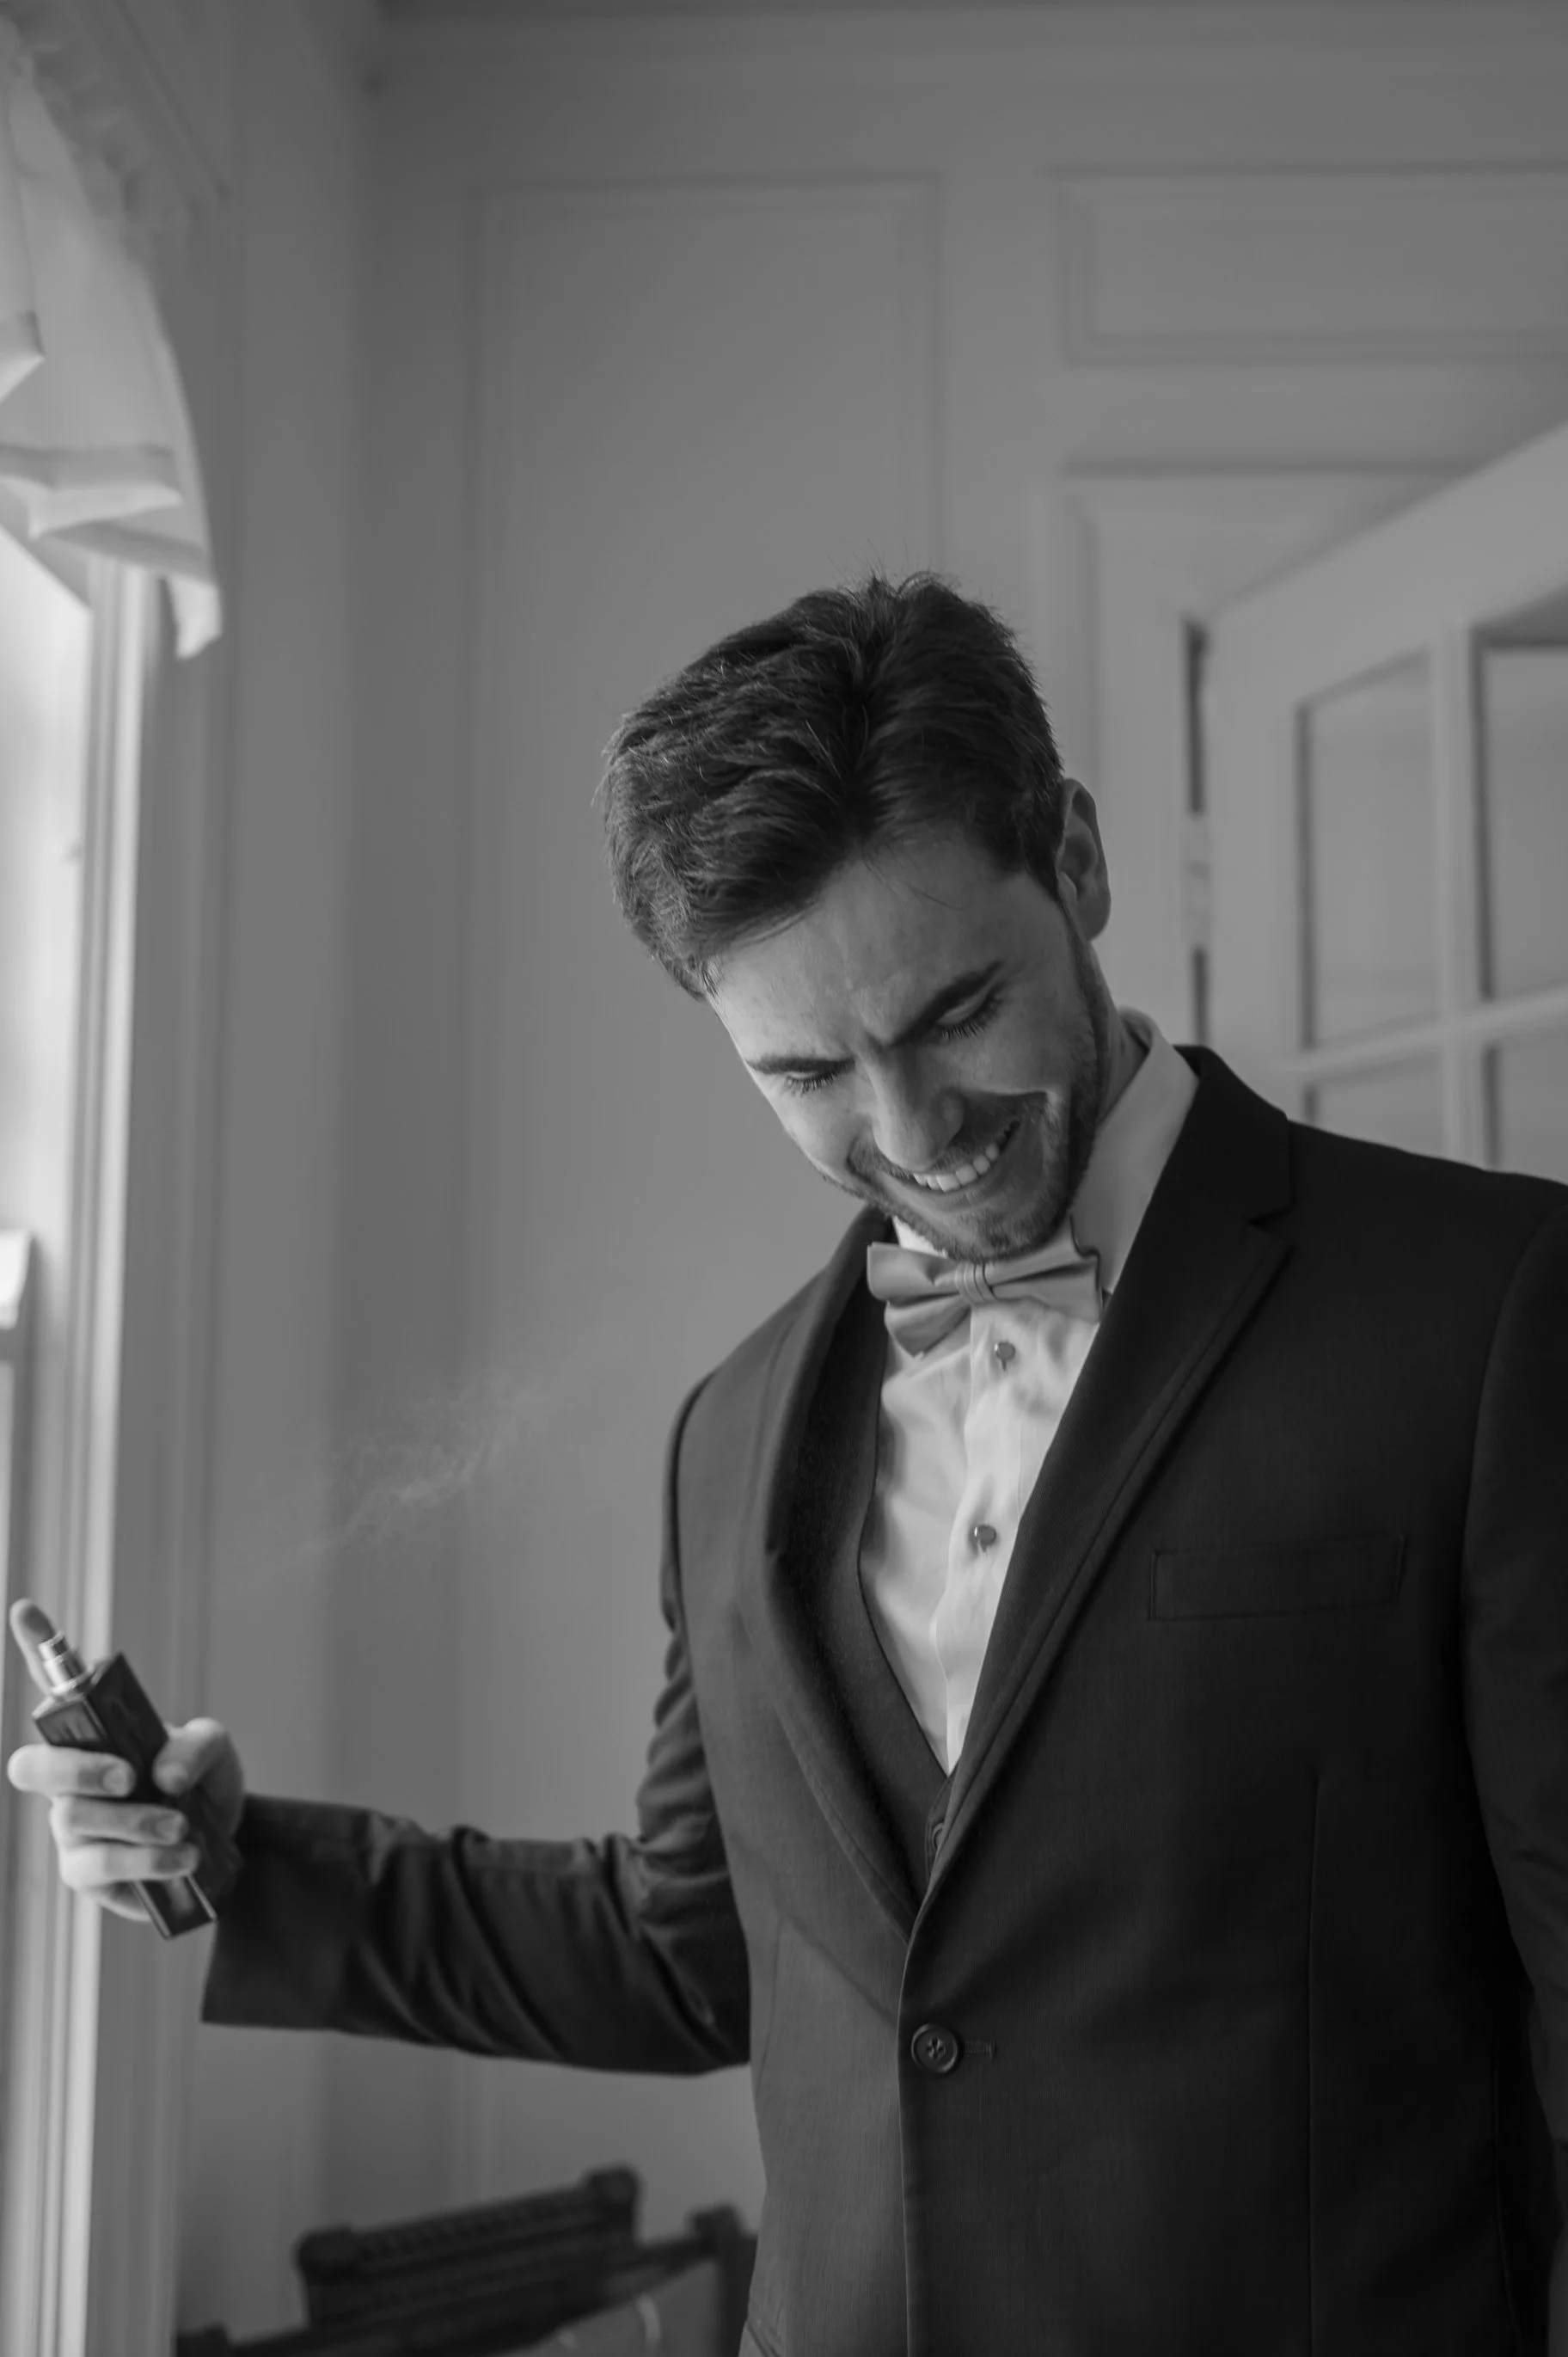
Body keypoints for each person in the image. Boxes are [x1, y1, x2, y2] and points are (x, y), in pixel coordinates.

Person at [9, 572, 1567, 2357]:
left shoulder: (1491, 1308)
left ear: (1076, 860)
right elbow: (697, 1948)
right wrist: (245, 1862)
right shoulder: (736, 1431)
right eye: (812, 1070)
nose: (911, 1133)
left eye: (955, 1011)